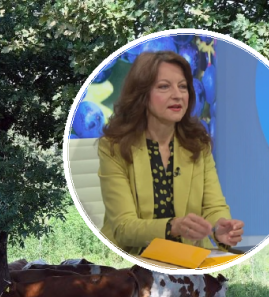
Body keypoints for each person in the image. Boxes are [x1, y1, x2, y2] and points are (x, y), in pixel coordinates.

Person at [97, 50, 244, 256]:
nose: (177, 95)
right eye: (164, 87)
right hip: (130, 263)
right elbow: (123, 227)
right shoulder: (114, 147)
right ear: (142, 94)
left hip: (187, 259)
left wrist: (219, 227)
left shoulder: (198, 145)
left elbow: (213, 206)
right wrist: (172, 226)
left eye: (183, 87)